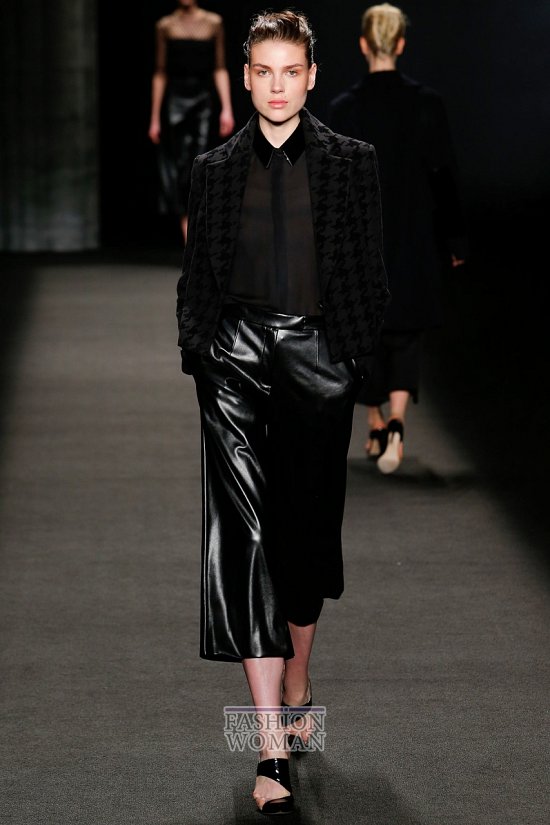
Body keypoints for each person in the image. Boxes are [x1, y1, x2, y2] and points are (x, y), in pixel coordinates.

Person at [176, 10, 389, 814]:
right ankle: (270, 747)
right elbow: (197, 272)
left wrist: (352, 362)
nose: (275, 86)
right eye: (262, 71)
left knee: (306, 543)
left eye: (289, 71)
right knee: (247, 540)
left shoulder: (351, 163)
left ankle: (300, 677)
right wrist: (199, 349)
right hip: (232, 357)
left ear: (311, 76)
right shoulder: (213, 169)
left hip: (317, 356)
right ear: (245, 76)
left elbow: (368, 271)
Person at [329, 3, 467, 473]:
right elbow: (443, 175)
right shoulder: (426, 104)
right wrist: (454, 238)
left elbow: (334, 186)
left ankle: (374, 421)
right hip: (413, 233)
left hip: (361, 239)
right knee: (406, 333)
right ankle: (397, 424)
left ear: (363, 45)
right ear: (401, 44)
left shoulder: (344, 109)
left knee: (364, 332)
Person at [148, 0, 235, 241]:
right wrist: (154, 118)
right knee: (180, 167)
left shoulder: (213, 23)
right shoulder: (165, 25)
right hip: (175, 102)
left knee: (202, 163)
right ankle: (190, 236)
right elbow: (160, 72)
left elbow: (220, 67)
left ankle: (200, 232)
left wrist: (227, 108)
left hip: (203, 101)